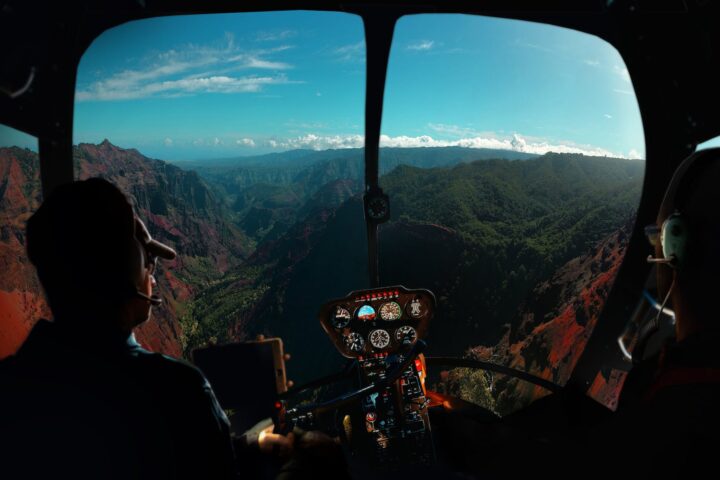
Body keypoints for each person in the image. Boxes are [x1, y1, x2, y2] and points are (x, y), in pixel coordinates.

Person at [0, 178, 236, 479]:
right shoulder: (179, 393)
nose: (152, 273)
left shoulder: (10, 389)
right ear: (129, 269)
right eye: (148, 260)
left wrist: (251, 444)